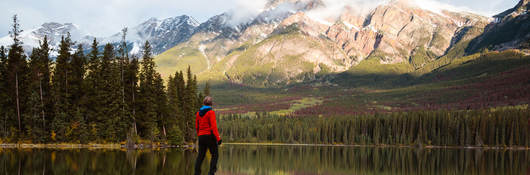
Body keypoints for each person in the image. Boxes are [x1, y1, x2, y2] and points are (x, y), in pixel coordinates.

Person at [194, 96, 222, 175]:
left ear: (203, 103)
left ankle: (196, 172)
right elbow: (213, 126)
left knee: (200, 156)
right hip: (209, 136)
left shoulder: (198, 113)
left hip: (201, 136)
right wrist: (218, 138)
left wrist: (199, 135)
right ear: (211, 104)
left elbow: (197, 126)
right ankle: (211, 172)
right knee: (215, 154)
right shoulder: (211, 112)